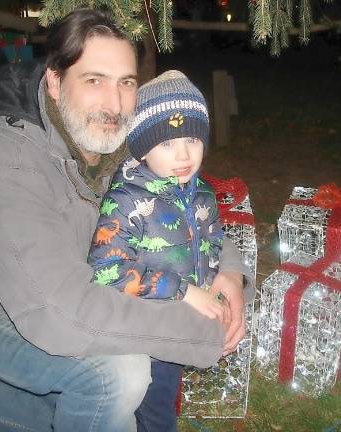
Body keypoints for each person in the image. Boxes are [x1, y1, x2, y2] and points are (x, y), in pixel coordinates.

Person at [0, 9, 253, 432]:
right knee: (117, 377)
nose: (114, 104)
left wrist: (229, 273)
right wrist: (203, 332)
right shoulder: (5, 170)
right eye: (94, 80)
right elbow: (61, 315)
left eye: (126, 84)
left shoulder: (117, 148)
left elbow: (178, 210)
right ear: (55, 82)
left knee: (119, 393)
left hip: (72, 286)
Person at [88, 70, 227, 431]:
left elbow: (212, 243)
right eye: (166, 143)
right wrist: (184, 291)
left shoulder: (202, 194)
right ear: (143, 147)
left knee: (165, 396)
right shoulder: (124, 200)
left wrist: (212, 287)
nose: (183, 155)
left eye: (193, 139)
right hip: (141, 332)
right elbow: (107, 270)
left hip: (179, 322)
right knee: (155, 407)